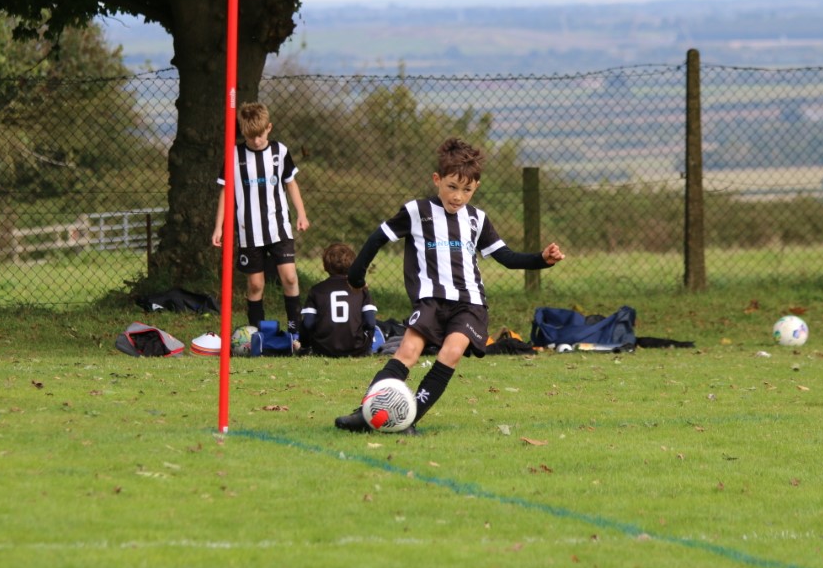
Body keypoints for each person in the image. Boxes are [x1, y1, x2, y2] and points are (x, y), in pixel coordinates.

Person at [334, 137, 565, 434]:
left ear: (476, 188)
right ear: (437, 180)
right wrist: (356, 275)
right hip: (430, 299)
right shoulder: (417, 211)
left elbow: (506, 257)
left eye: (467, 190)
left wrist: (541, 259)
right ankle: (367, 412)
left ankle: (408, 418)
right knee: (408, 351)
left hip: (470, 303)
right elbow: (378, 236)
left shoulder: (477, 219)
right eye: (452, 187)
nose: (458, 196)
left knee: (452, 352)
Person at [212, 101, 310, 334]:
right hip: (249, 231)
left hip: (279, 228)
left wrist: (301, 214)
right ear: (243, 132)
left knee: (290, 278)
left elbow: (291, 183)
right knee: (256, 284)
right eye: (250, 136)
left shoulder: (280, 151)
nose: (255, 141)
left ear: (269, 128)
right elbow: (225, 191)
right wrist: (219, 227)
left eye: (259, 135)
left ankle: (295, 332)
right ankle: (255, 334)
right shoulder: (234, 154)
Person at [300, 242, 379, 357]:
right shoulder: (361, 289)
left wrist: (306, 345)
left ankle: (305, 349)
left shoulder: (316, 290)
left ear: (325, 265)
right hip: (357, 349)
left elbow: (308, 323)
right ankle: (366, 350)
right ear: (353, 264)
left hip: (322, 349)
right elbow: (370, 323)